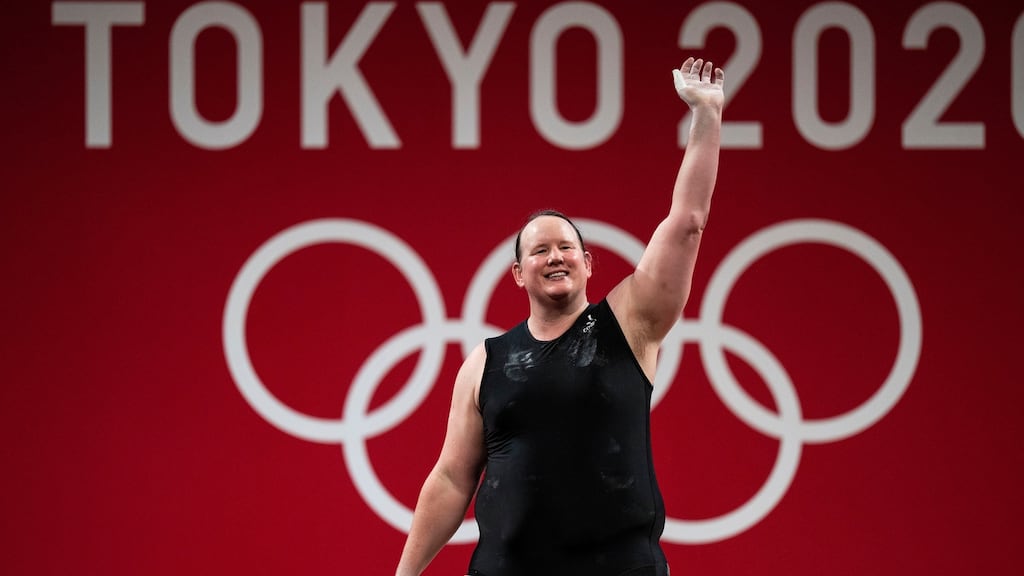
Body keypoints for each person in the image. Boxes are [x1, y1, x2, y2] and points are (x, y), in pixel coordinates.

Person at [395, 57, 725, 576]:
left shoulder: (630, 326)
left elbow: (687, 223)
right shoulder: (486, 361)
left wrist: (706, 116)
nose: (555, 257)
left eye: (566, 248)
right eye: (540, 251)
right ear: (517, 275)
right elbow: (452, 480)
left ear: (588, 265)